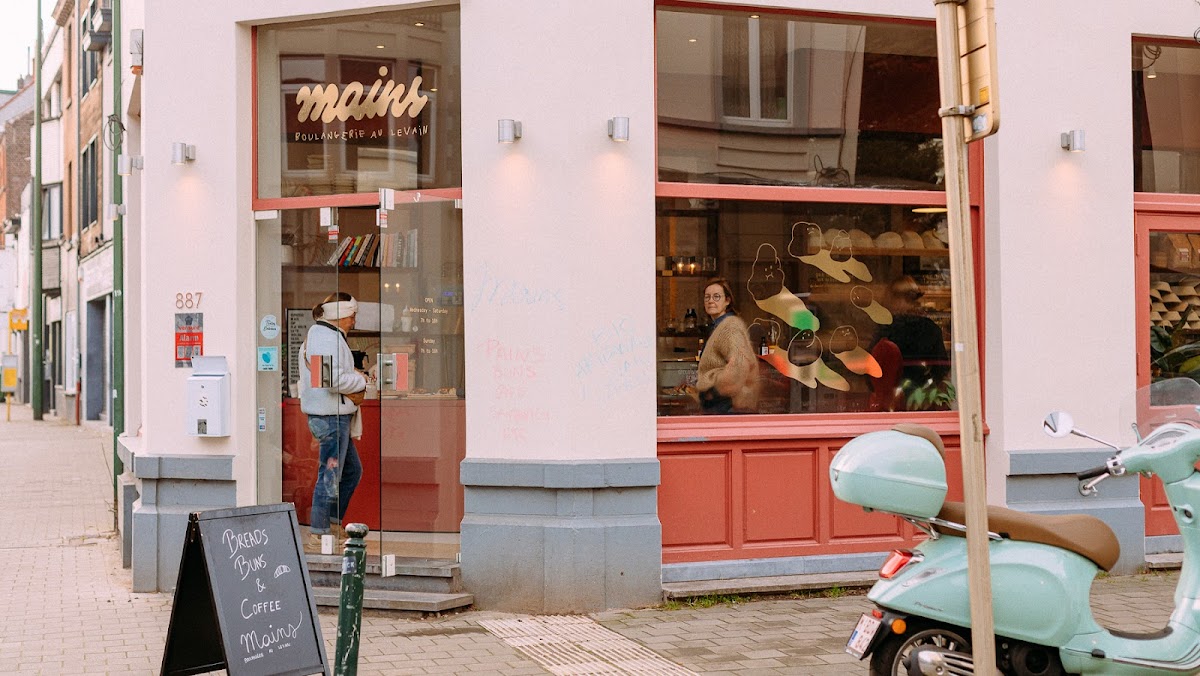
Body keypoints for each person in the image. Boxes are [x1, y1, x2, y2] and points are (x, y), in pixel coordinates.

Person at [297, 292, 367, 546]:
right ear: (341, 314)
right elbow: (329, 380)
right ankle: (319, 531)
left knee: (350, 471)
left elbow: (327, 377)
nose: (354, 321)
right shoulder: (325, 339)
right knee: (330, 473)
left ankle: (332, 524)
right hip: (330, 416)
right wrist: (362, 381)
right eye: (352, 315)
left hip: (331, 414)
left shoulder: (324, 336)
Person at [873, 276, 951, 411]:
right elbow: (941, 373)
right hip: (922, 405)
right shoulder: (929, 329)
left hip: (890, 406)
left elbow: (870, 372)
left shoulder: (884, 329)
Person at [697, 278, 759, 414]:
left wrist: (713, 392)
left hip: (728, 405)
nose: (710, 301)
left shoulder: (729, 327)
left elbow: (740, 365)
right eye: (707, 297)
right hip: (724, 403)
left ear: (727, 301)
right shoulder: (719, 326)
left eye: (716, 297)